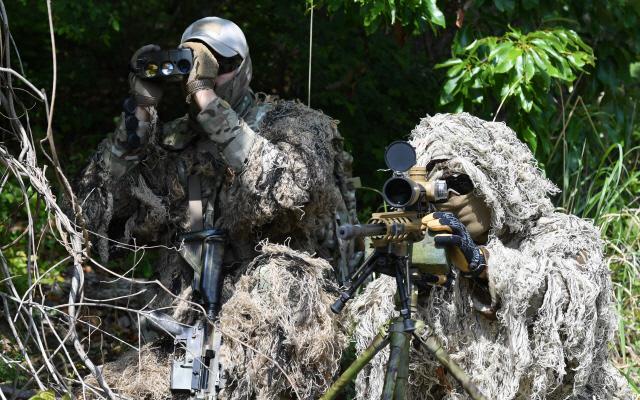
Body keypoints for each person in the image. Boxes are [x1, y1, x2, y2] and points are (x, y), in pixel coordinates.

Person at [74, 16, 354, 399]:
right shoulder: (174, 141)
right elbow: (97, 214)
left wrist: (207, 100)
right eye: (196, 66)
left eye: (219, 68)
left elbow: (286, 189)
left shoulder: (294, 125)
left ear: (243, 67)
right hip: (185, 320)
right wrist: (137, 117)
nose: (205, 78)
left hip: (274, 320)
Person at [349, 113, 633, 399]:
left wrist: (482, 264)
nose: (444, 197)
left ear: (495, 184)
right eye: (431, 190)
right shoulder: (426, 246)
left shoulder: (559, 237)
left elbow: (565, 305)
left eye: (457, 182)